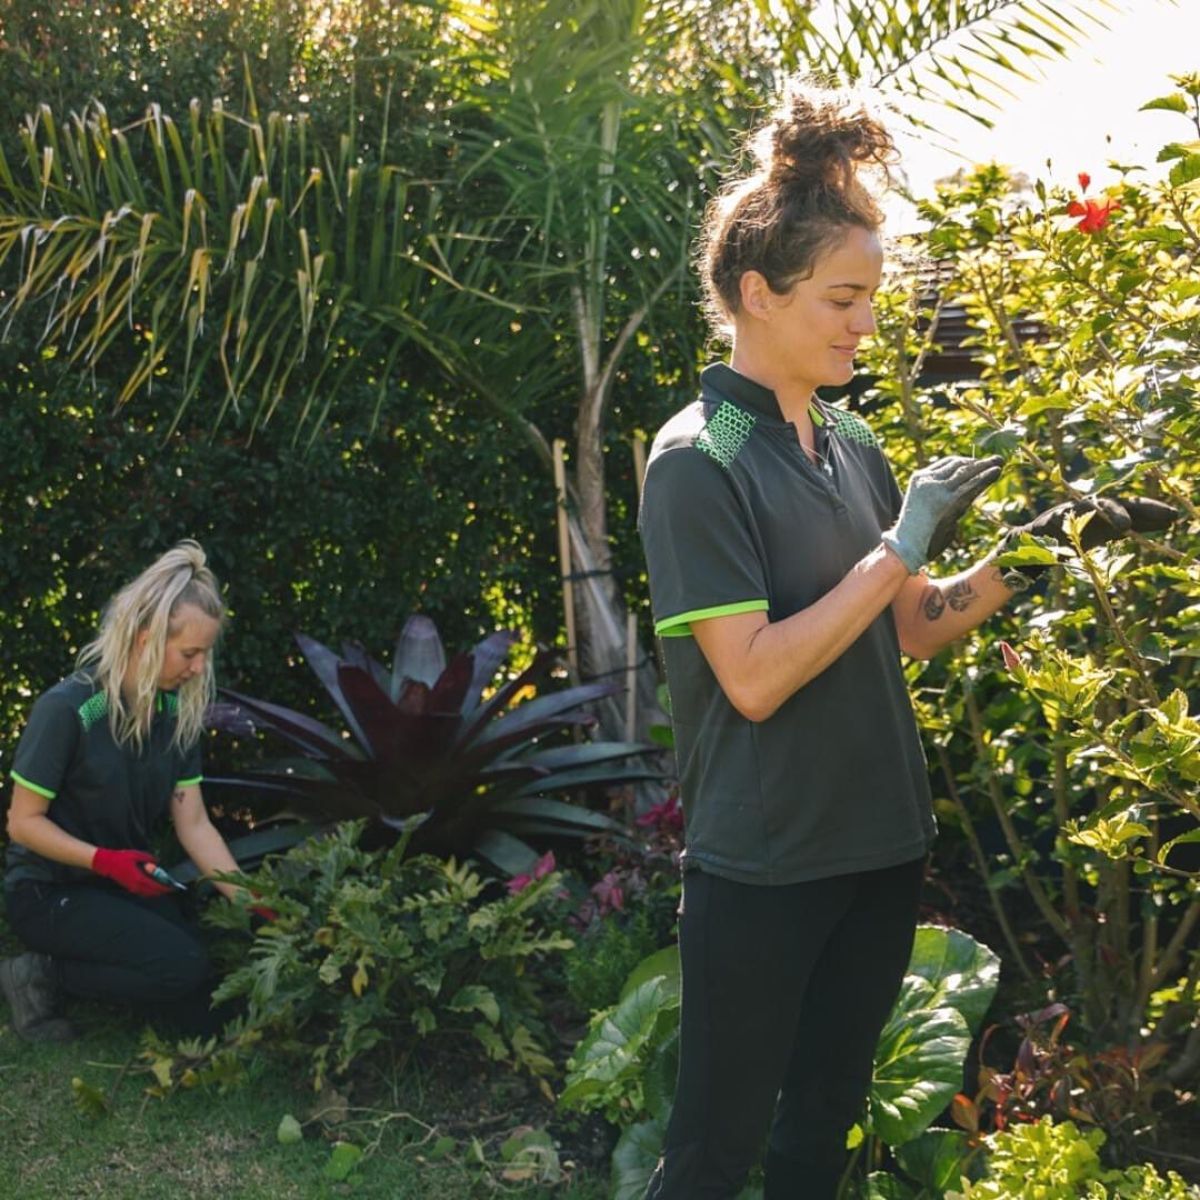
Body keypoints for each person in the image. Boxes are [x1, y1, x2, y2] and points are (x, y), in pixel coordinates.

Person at [636, 78, 1177, 1199]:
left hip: (876, 847)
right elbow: (750, 680)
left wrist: (1040, 548)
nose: (865, 324)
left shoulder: (843, 440)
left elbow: (914, 630)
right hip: (768, 864)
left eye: (871, 297)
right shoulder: (703, 458)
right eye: (841, 299)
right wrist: (900, 541)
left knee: (822, 1127)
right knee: (713, 1150)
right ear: (755, 293)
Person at [1, 540, 254, 1042]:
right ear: (146, 639)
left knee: (202, 992)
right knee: (180, 968)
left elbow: (195, 824)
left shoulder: (172, 713)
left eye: (204, 653)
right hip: (50, 889)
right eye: (190, 653)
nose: (200, 668)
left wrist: (251, 898)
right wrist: (105, 861)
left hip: (120, 885)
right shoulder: (72, 709)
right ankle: (39, 972)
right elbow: (22, 823)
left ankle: (85, 969)